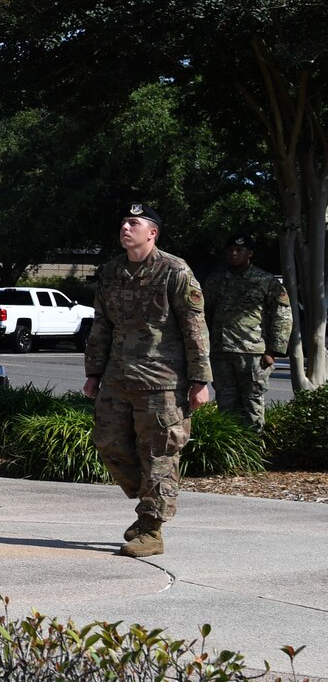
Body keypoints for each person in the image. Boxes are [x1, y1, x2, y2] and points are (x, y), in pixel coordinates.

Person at [83, 202, 213, 558]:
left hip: (163, 383)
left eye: (134, 223)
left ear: (152, 233)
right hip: (117, 378)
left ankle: (151, 529)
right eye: (124, 221)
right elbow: (101, 325)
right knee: (107, 443)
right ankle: (149, 504)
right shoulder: (110, 272)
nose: (126, 227)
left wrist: (200, 380)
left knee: (159, 455)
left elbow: (194, 328)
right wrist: (93, 373)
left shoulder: (175, 271)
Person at [205, 234, 292, 431]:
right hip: (222, 352)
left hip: (253, 354)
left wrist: (273, 351)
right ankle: (231, 452)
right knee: (226, 404)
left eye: (240, 250)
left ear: (250, 253)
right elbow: (205, 314)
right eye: (230, 250)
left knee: (253, 404)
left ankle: (252, 452)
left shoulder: (266, 281)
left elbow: (283, 315)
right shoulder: (216, 280)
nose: (234, 254)